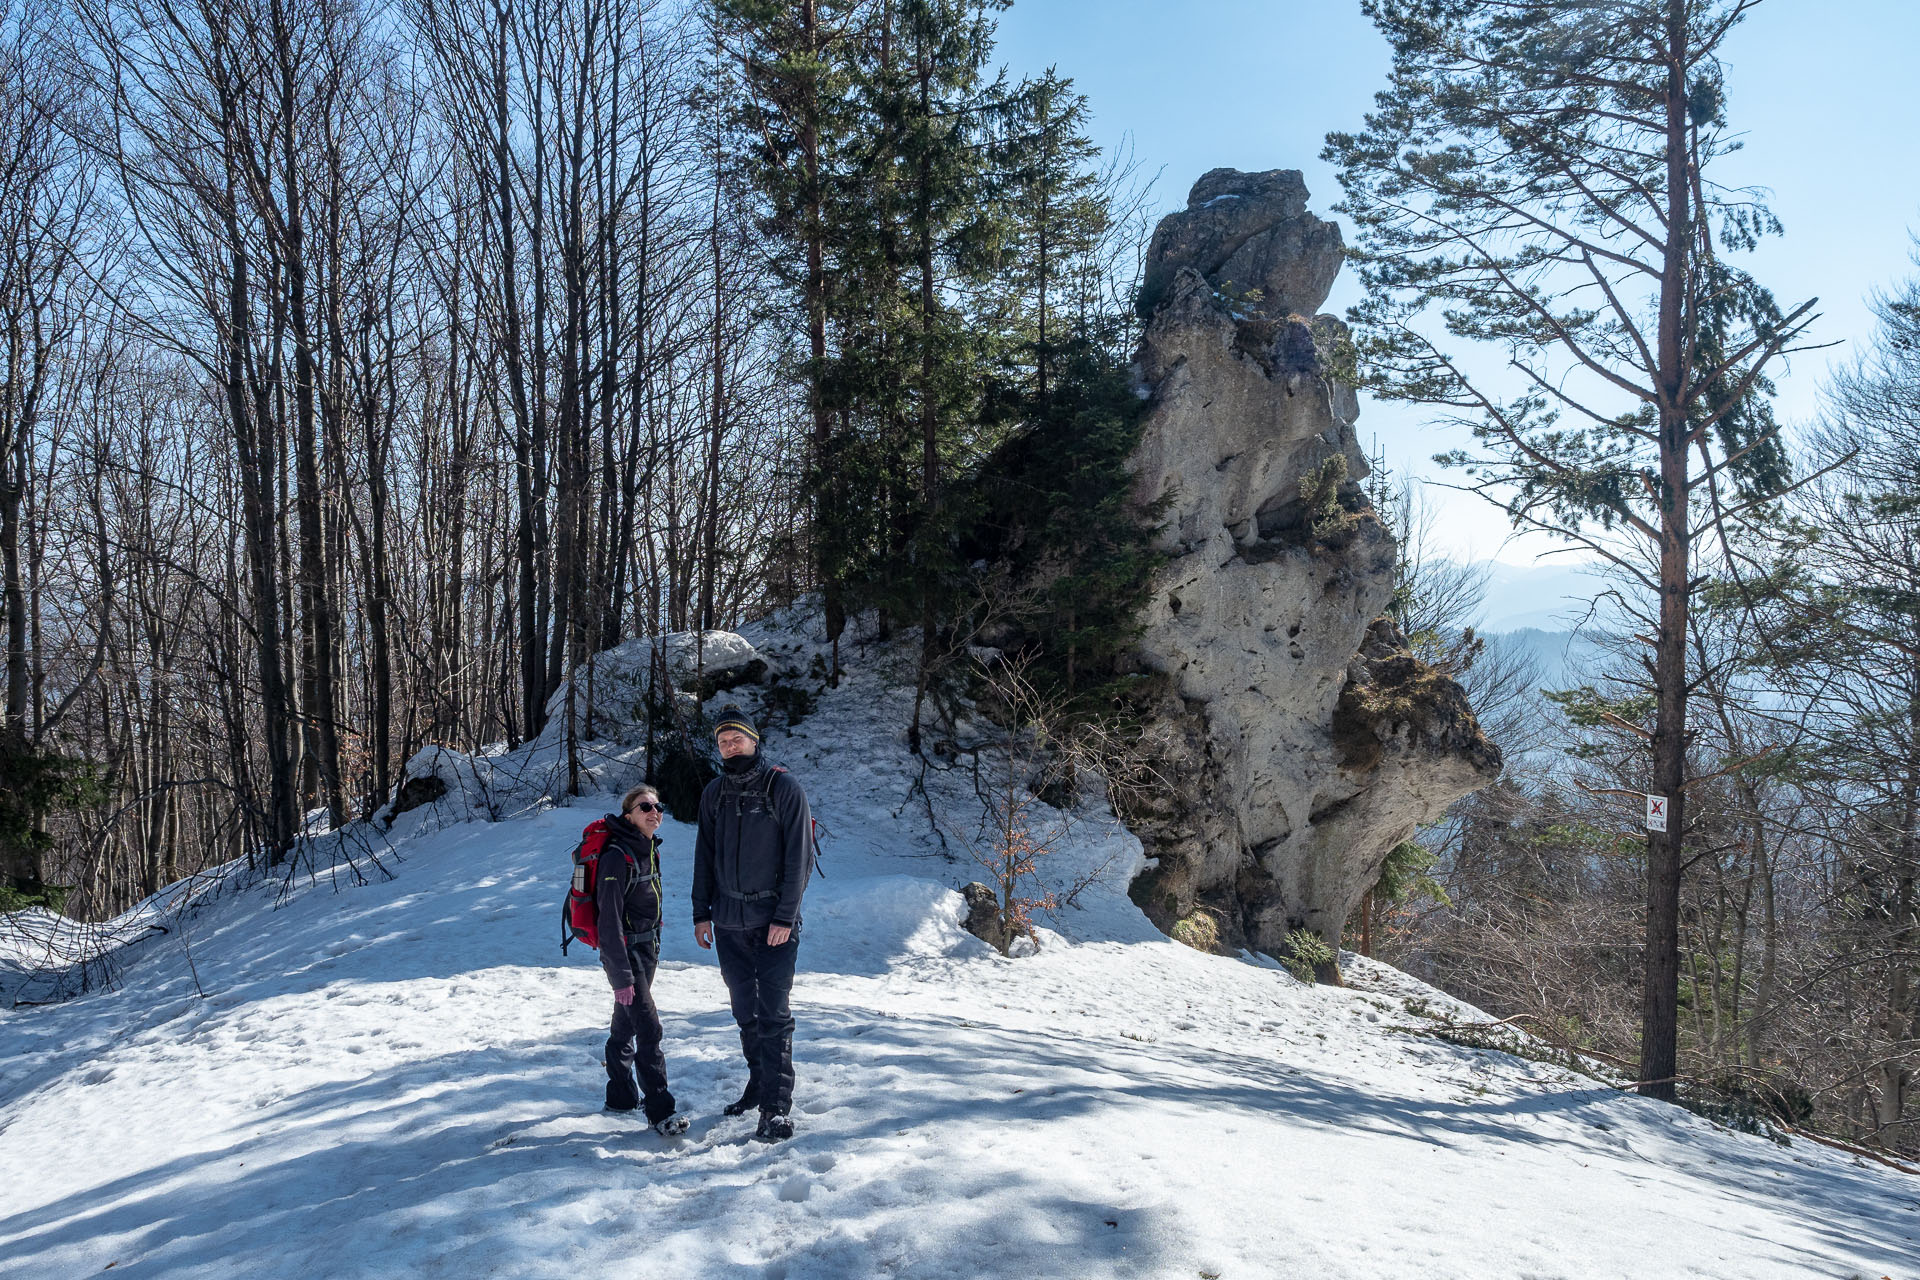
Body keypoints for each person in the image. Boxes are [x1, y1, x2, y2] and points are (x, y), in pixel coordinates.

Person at [692, 705, 813, 1142]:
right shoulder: (714, 794)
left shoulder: (783, 787)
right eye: (723, 742)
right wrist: (701, 913)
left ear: (753, 740)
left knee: (773, 1014)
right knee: (745, 1011)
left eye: (736, 739)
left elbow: (801, 857)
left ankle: (776, 1108)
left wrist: (784, 915)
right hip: (727, 923)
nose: (729, 747)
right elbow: (703, 855)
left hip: (774, 923)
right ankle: (759, 1084)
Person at [598, 783, 688, 1137]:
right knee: (649, 1028)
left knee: (624, 1025)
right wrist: (621, 976)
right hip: (627, 955)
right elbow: (608, 922)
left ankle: (620, 1097)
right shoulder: (616, 856)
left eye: (657, 805)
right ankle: (660, 1111)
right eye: (644, 806)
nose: (653, 811)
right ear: (628, 815)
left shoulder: (647, 848)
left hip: (646, 952)